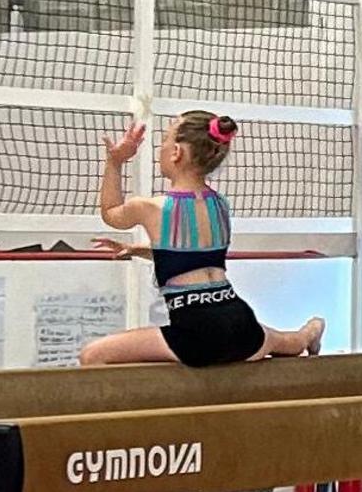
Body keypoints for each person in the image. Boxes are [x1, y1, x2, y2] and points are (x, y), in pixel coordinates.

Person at [77, 111, 325, 366]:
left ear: (176, 153)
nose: (160, 149)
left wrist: (115, 161)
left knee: (92, 356)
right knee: (288, 342)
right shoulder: (219, 205)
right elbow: (194, 257)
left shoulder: (152, 207)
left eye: (163, 140)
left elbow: (110, 212)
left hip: (198, 333)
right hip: (240, 323)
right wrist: (136, 249)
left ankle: (306, 332)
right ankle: (311, 331)